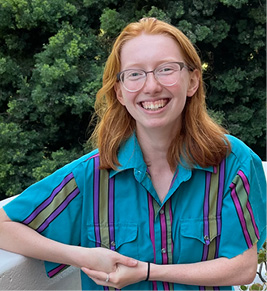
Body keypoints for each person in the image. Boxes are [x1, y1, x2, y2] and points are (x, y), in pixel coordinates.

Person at [0, 17, 266, 291]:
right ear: (119, 92)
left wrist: (146, 272)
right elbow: (3, 224)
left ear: (193, 81)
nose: (151, 86)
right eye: (135, 74)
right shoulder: (90, 176)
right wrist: (80, 255)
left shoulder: (235, 163)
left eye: (166, 69)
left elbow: (242, 267)